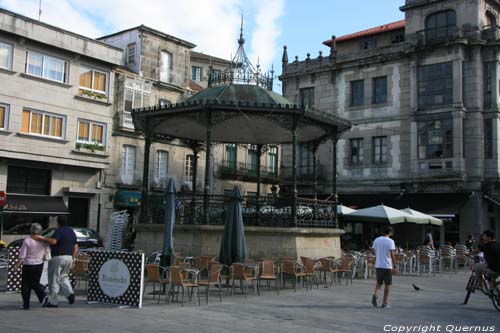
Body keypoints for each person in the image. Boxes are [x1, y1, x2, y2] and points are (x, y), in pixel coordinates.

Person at [34, 216, 78, 307]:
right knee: (64, 277)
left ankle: (53, 301)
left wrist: (40, 238)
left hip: (58, 257)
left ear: (58, 222)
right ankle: (69, 293)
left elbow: (53, 241)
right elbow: (76, 247)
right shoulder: (71, 231)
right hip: (69, 257)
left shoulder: (59, 231)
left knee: (53, 279)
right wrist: (73, 258)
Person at [14, 223, 48, 310]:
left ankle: (27, 303)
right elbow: (46, 252)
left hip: (28, 264)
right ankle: (42, 297)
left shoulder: (27, 240)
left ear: (31, 230)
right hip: (39, 264)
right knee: (35, 282)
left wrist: (16, 266)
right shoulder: (43, 240)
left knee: (26, 285)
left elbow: (22, 256)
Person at [371, 225, 396, 308]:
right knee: (387, 284)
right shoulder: (390, 241)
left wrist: (379, 255)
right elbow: (392, 254)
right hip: (387, 265)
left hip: (378, 265)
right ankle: (384, 303)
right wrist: (395, 265)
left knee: (379, 283)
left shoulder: (376, 240)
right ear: (390, 232)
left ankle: (376, 294)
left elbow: (373, 251)